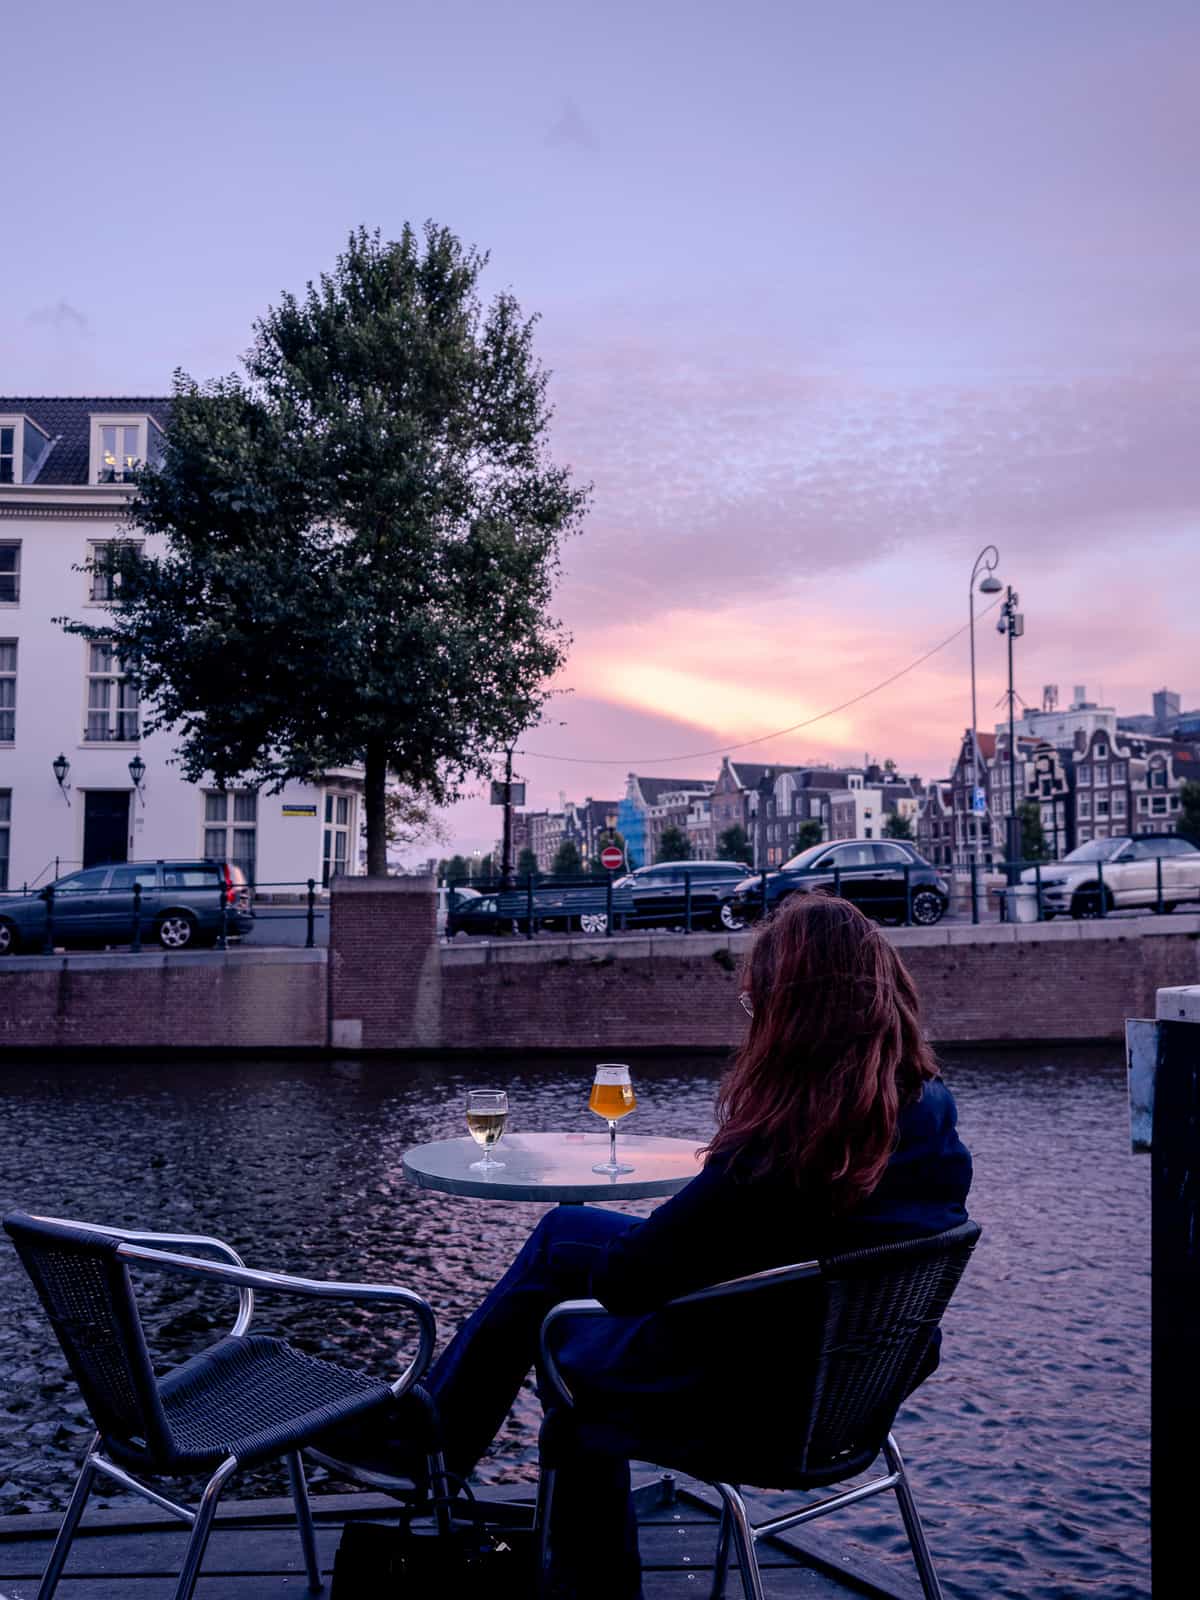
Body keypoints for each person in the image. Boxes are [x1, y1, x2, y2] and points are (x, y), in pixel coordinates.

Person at [325, 894, 972, 1598]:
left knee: (565, 1355)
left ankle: (435, 1453)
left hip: (761, 1401)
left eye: (759, 1009)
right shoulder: (925, 1111)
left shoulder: (784, 1144)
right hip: (842, 1379)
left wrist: (631, 1260)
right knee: (564, 1235)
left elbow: (629, 1284)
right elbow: (745, 1243)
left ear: (797, 1020)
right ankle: (434, 1444)